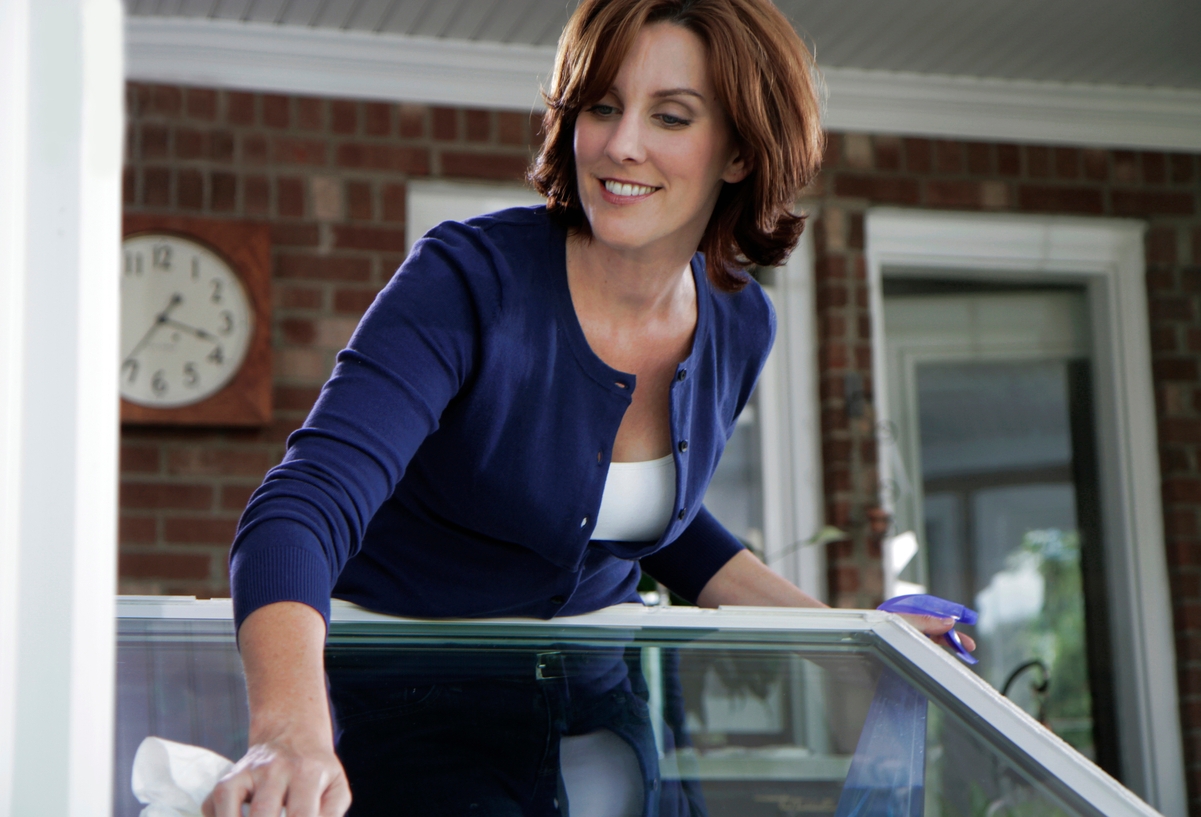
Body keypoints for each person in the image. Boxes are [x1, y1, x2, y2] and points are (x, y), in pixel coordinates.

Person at [204, 1, 972, 815]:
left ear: (741, 151)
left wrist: (853, 642)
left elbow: (654, 526)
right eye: (600, 106)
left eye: (669, 115)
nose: (619, 143)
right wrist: (287, 731)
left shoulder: (739, 321)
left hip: (606, 716)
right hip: (415, 723)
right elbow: (302, 507)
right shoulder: (468, 282)